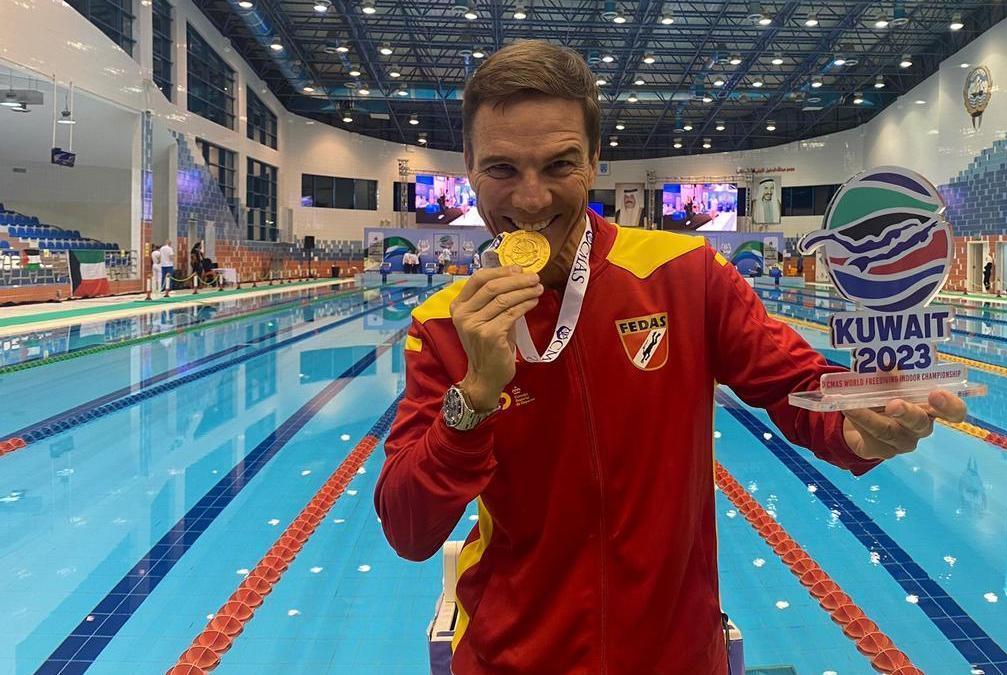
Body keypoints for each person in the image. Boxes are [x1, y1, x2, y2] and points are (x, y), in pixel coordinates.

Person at [373, 40, 967, 675]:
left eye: (559, 165)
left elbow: (798, 385)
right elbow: (409, 529)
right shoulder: (440, 325)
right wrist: (475, 399)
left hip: (676, 656)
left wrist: (859, 423)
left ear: (595, 160)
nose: (532, 198)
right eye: (501, 170)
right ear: (467, 165)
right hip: (511, 657)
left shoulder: (686, 275)